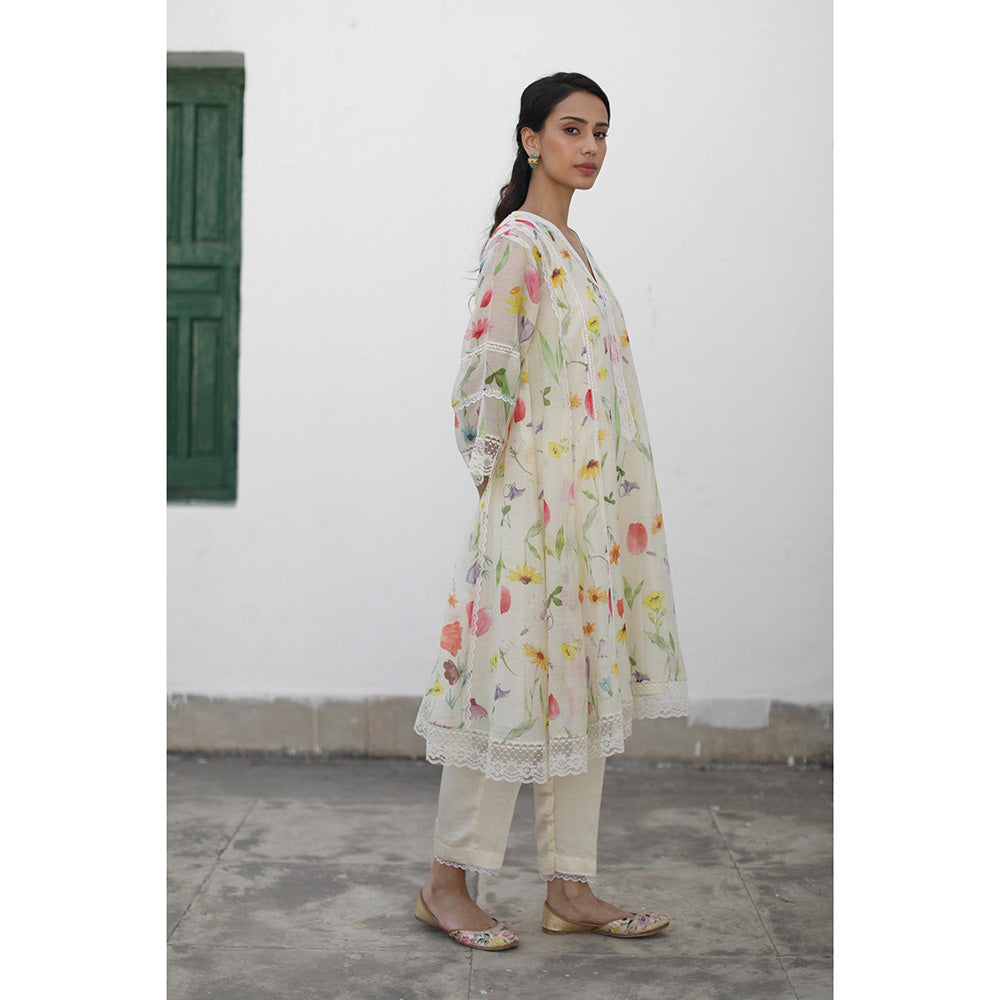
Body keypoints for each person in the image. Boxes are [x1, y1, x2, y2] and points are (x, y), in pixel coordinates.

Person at [412, 71, 690, 952]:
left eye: (602, 132)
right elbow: (483, 373)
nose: (591, 147)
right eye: (573, 129)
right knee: (507, 686)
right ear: (530, 139)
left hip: (589, 518)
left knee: (580, 686)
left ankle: (571, 887)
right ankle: (446, 882)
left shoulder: (574, 249)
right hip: (533, 515)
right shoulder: (520, 244)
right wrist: (503, 486)